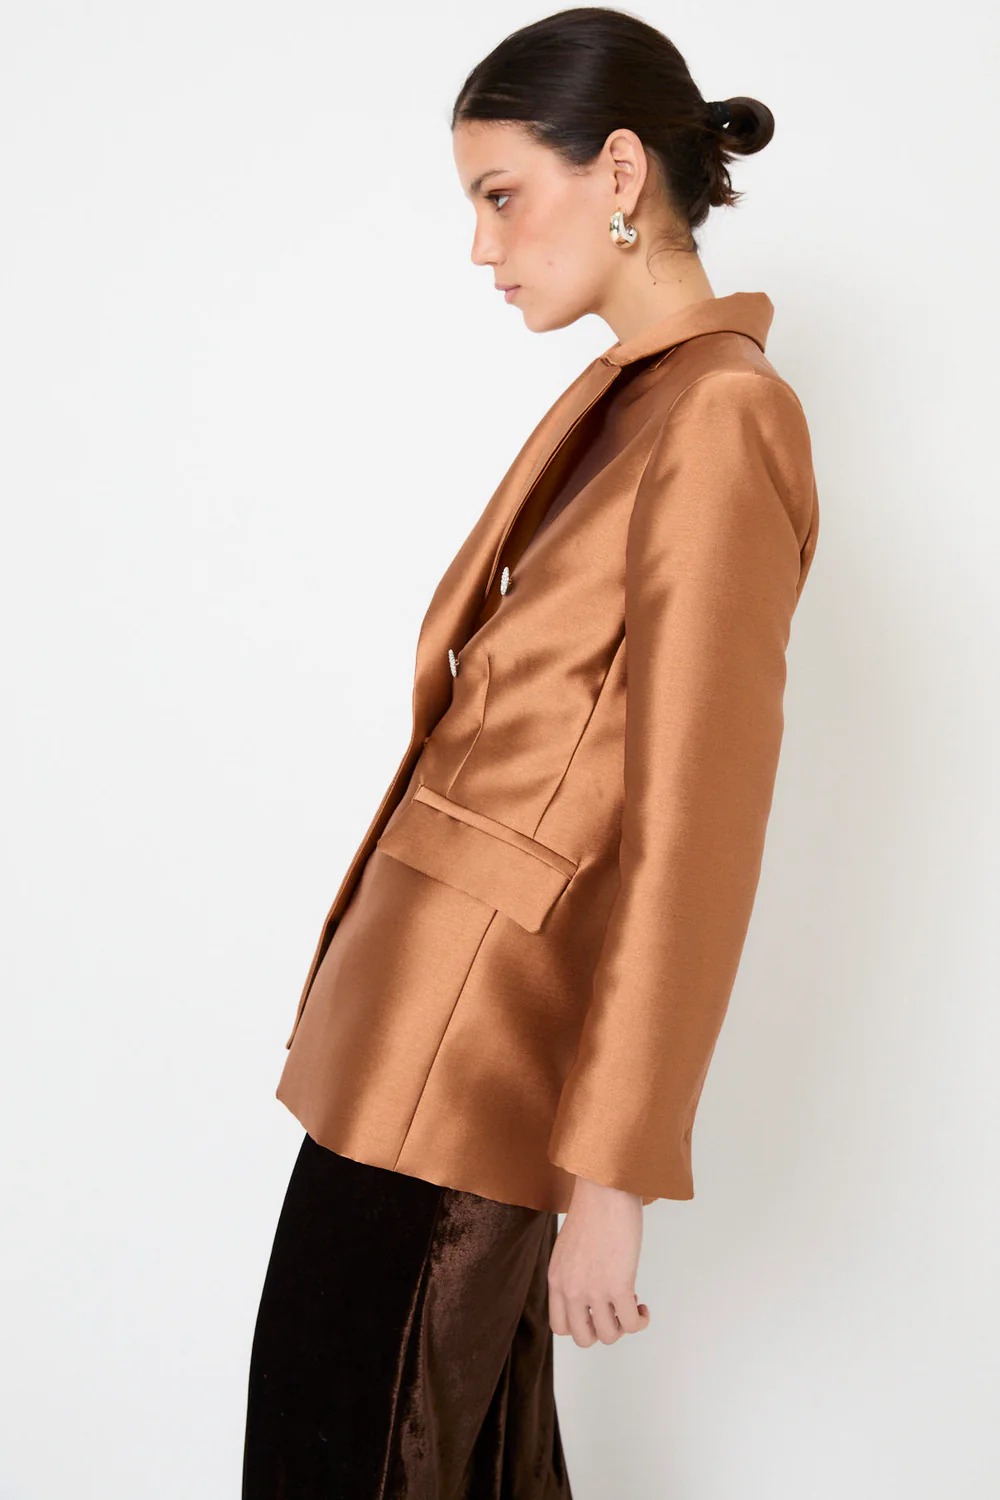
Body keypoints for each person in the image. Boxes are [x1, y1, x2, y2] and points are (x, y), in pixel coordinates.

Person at [242, 7, 821, 1497]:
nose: (483, 248)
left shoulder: (722, 415)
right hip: (409, 1040)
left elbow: (696, 821)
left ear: (618, 171)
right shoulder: (642, 401)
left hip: (473, 1060)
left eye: (502, 195)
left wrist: (613, 1167)